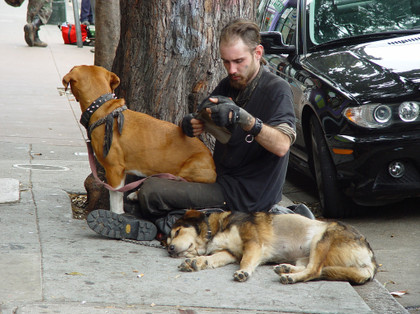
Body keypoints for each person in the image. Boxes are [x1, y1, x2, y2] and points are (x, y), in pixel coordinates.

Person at [86, 19, 314, 241]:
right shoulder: (230, 83)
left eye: (238, 61)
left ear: (258, 53)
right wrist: (193, 123)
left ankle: (161, 228)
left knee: (150, 191)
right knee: (134, 180)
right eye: (226, 62)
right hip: (218, 179)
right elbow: (204, 115)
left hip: (247, 195)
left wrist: (246, 120)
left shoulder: (277, 90)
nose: (231, 69)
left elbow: (283, 145)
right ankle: (176, 222)